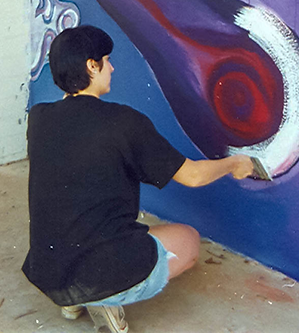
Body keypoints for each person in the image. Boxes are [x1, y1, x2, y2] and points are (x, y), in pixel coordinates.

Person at [22, 26, 256, 333]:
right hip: (96, 270)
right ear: (92, 66)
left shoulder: (38, 117)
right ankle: (101, 298)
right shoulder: (123, 122)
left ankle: (71, 299)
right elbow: (194, 176)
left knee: (92, 230)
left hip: (46, 269)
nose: (113, 67)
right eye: (107, 60)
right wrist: (234, 164)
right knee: (188, 241)